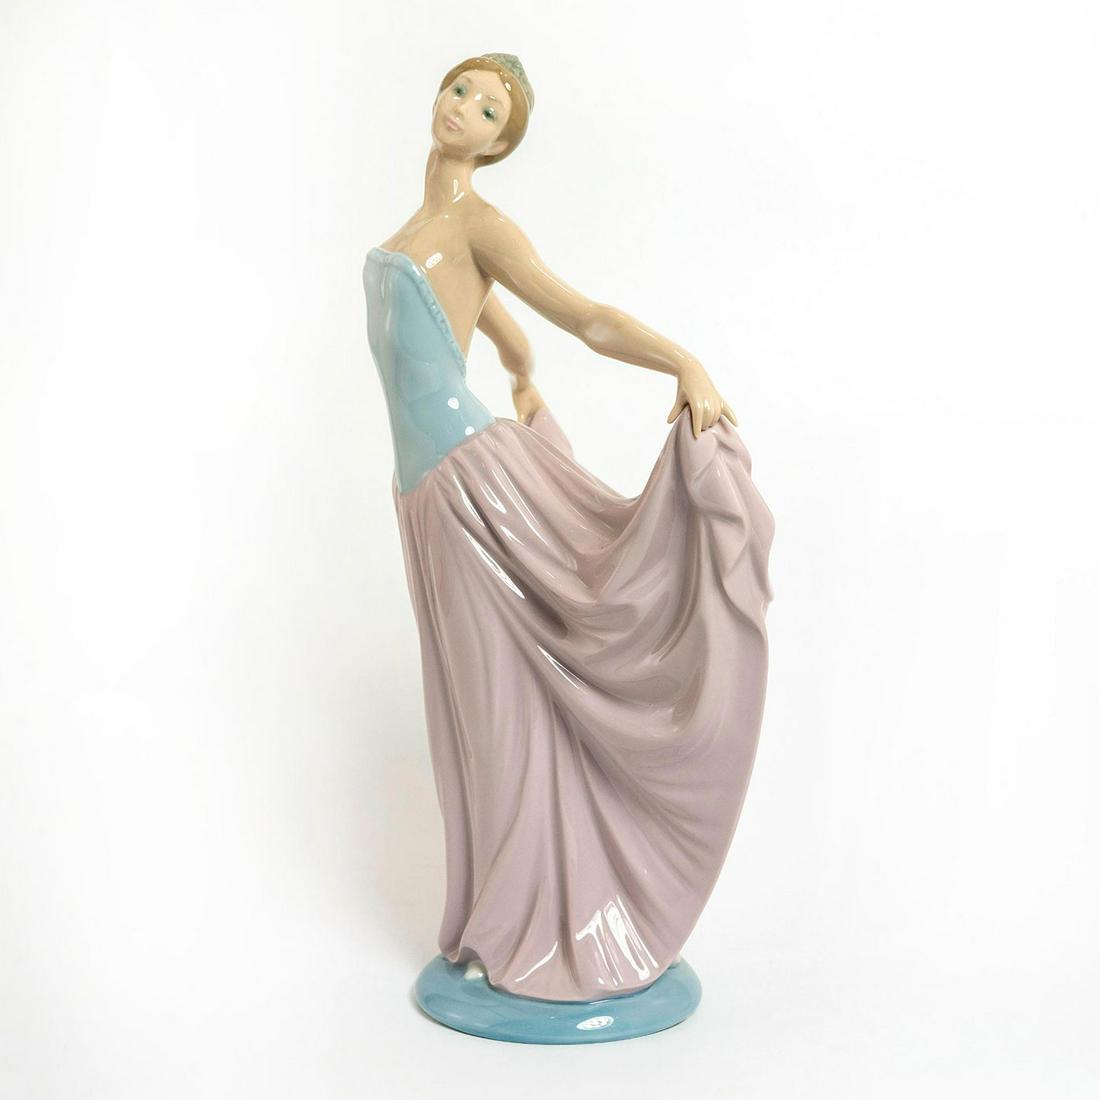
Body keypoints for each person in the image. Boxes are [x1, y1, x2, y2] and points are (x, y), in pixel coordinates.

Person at [363, 53, 774, 1005]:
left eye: (489, 109)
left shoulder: (479, 224)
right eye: (462, 90)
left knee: (503, 703)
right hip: (422, 496)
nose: (465, 109)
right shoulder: (418, 235)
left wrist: (684, 362)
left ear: (500, 143)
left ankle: (539, 920)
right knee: (471, 707)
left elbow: (582, 317)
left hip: (471, 488)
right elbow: (493, 324)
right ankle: (503, 910)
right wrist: (519, 373)